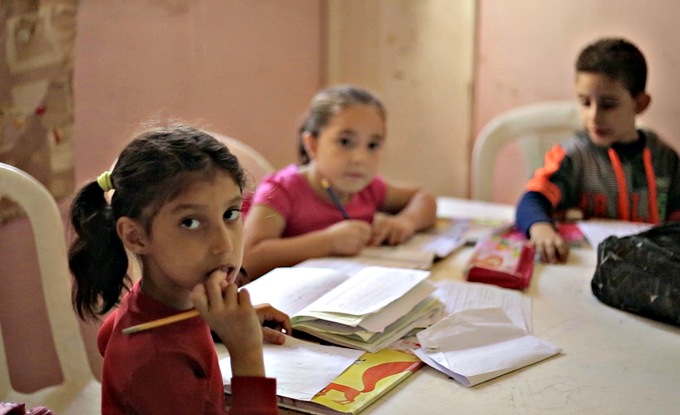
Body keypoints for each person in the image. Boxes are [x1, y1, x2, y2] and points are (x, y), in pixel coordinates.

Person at [68, 125, 290, 415]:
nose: (224, 244)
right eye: (190, 222)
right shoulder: (156, 364)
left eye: (230, 214)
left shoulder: (155, 305)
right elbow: (142, 353)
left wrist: (219, 325)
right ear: (136, 236)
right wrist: (246, 353)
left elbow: (109, 334)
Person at [243, 85, 437, 279]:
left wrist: (406, 222)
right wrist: (328, 242)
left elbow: (423, 197)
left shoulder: (368, 189)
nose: (360, 158)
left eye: (372, 145)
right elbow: (248, 258)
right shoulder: (282, 189)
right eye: (345, 142)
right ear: (312, 145)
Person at [516, 38, 680, 263]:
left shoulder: (666, 160)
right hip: (587, 265)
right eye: (585, 102)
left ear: (640, 103)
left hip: (649, 268)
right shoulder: (573, 156)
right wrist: (540, 228)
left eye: (608, 105)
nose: (594, 116)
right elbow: (532, 200)